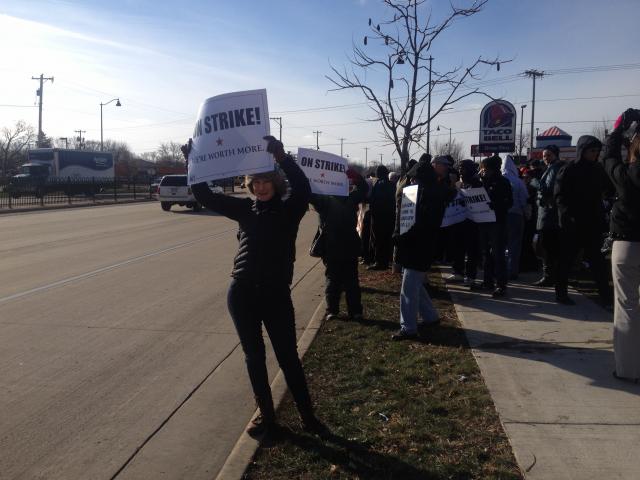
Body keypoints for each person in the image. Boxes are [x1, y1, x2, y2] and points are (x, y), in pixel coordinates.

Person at [182, 136, 324, 437]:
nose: (259, 187)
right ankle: (267, 417)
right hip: (242, 292)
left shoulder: (290, 210)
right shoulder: (245, 210)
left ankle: (308, 417)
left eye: (265, 181)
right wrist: (193, 162)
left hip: (275, 294)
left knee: (287, 357)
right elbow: (205, 196)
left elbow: (303, 189)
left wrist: (282, 158)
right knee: (254, 357)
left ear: (275, 183)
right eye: (254, 182)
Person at [392, 158, 455, 340]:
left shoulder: (429, 196)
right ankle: (430, 317)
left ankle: (408, 328)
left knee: (409, 289)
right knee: (415, 284)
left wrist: (402, 236)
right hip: (419, 246)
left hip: (419, 246)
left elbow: (421, 225)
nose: (411, 182)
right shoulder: (429, 193)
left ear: (423, 179)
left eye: (414, 179)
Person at [601, 109, 640, 381]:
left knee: (626, 305)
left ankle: (627, 369)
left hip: (628, 242)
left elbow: (608, 157)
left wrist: (617, 129)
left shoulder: (627, 175)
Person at [554, 135, 613, 306]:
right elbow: (559, 196)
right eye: (591, 150)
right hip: (572, 224)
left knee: (598, 261)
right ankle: (561, 292)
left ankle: (605, 296)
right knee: (566, 260)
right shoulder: (569, 169)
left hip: (593, 223)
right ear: (582, 151)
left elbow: (608, 189)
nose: (594, 154)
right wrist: (568, 216)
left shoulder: (597, 169)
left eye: (597, 151)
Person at [311, 168, 368, 321]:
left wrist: (313, 179)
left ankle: (332, 310)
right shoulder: (350, 198)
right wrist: (355, 176)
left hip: (332, 246)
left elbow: (309, 194)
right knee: (351, 280)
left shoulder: (324, 200)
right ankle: (355, 311)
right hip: (347, 245)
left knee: (333, 280)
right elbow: (364, 189)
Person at [478, 155, 513, 297]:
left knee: (498, 254)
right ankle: (487, 281)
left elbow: (509, 203)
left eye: (485, 168)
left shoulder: (503, 182)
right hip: (484, 221)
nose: (483, 171)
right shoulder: (483, 182)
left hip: (498, 222)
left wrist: (496, 205)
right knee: (486, 253)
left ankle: (501, 284)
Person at [531, 145, 564, 287]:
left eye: (548, 155)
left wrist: (534, 182)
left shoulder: (554, 168)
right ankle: (551, 275)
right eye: (544, 156)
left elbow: (547, 189)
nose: (545, 158)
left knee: (547, 246)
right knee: (548, 246)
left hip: (549, 214)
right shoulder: (552, 168)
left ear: (555, 155)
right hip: (548, 213)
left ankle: (549, 276)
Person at [452, 159, 482, 287]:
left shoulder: (477, 184)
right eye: (459, 168)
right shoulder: (459, 184)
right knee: (458, 247)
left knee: (471, 250)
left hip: (473, 222)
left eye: (463, 168)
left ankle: (470, 276)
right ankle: (458, 271)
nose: (460, 170)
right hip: (460, 220)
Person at [501, 155, 530, 280]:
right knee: (515, 244)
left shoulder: (499, 179)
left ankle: (499, 269)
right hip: (516, 216)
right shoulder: (519, 182)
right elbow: (524, 200)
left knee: (500, 245)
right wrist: (527, 215)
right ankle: (512, 270)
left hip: (500, 216)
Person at [368, 164, 396, 270]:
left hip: (379, 216)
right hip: (390, 215)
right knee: (387, 238)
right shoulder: (392, 184)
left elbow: (375, 200)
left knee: (378, 239)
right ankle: (386, 260)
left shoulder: (378, 184)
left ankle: (379, 262)